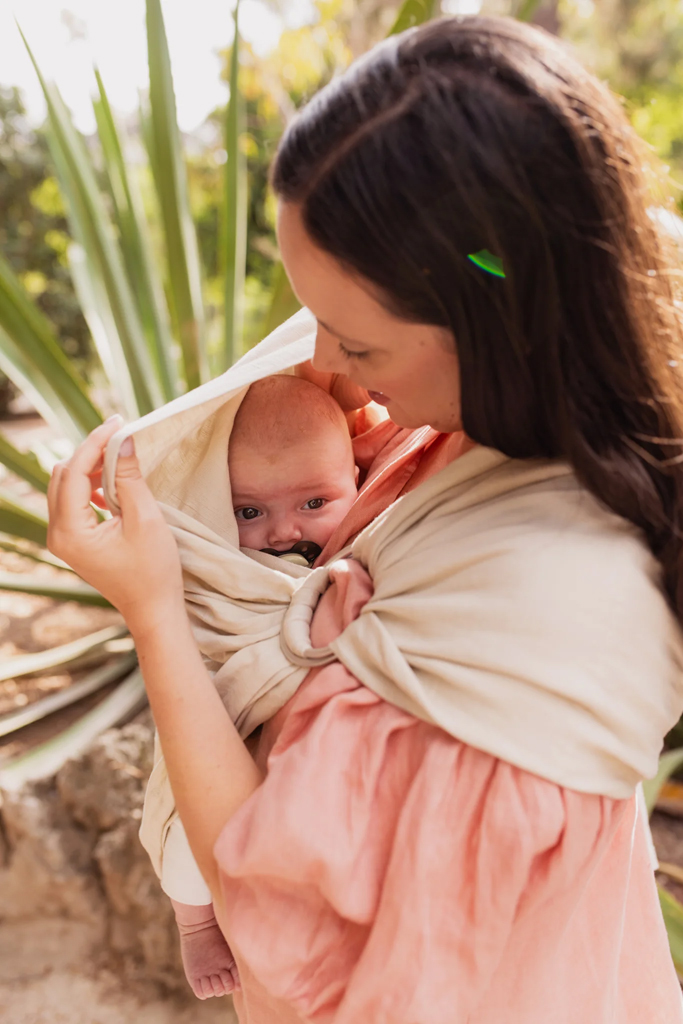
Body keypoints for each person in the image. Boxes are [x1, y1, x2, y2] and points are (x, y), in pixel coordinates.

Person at [47, 15, 683, 1023]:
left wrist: (154, 607)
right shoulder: (492, 424)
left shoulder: (533, 618)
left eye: (357, 344)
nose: (325, 368)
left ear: (497, 322)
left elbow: (284, 923)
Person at [158, 373, 360, 1000]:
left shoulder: (373, 538)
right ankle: (193, 921)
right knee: (187, 812)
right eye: (248, 511)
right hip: (227, 703)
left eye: (314, 503)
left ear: (360, 478)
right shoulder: (223, 562)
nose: (281, 531)